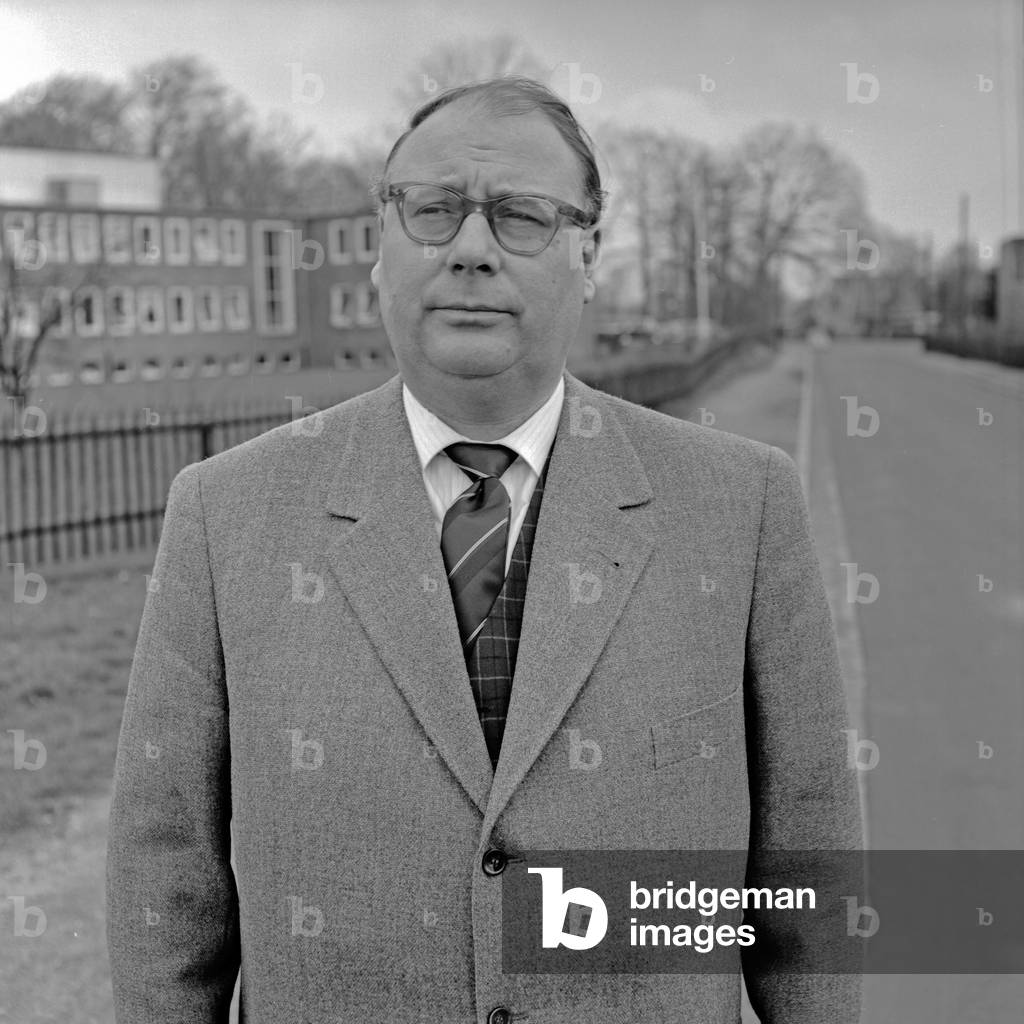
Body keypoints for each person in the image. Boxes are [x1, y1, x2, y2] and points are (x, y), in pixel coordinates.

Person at [106, 76, 862, 1022]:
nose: (469, 249)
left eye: (521, 217)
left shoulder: (739, 504)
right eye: (432, 211)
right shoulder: (226, 513)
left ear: (591, 254)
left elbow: (809, 858)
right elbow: (164, 872)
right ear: (381, 249)